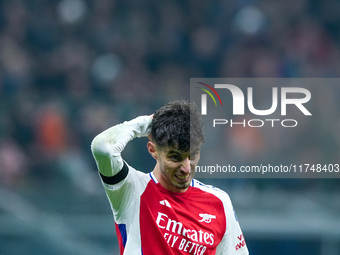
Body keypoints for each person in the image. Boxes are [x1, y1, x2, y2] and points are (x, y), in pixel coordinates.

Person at [91, 100, 249, 255]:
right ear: (153, 150)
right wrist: (144, 124)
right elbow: (103, 147)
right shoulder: (132, 190)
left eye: (193, 155)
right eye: (175, 157)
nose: (186, 168)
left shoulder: (219, 202)